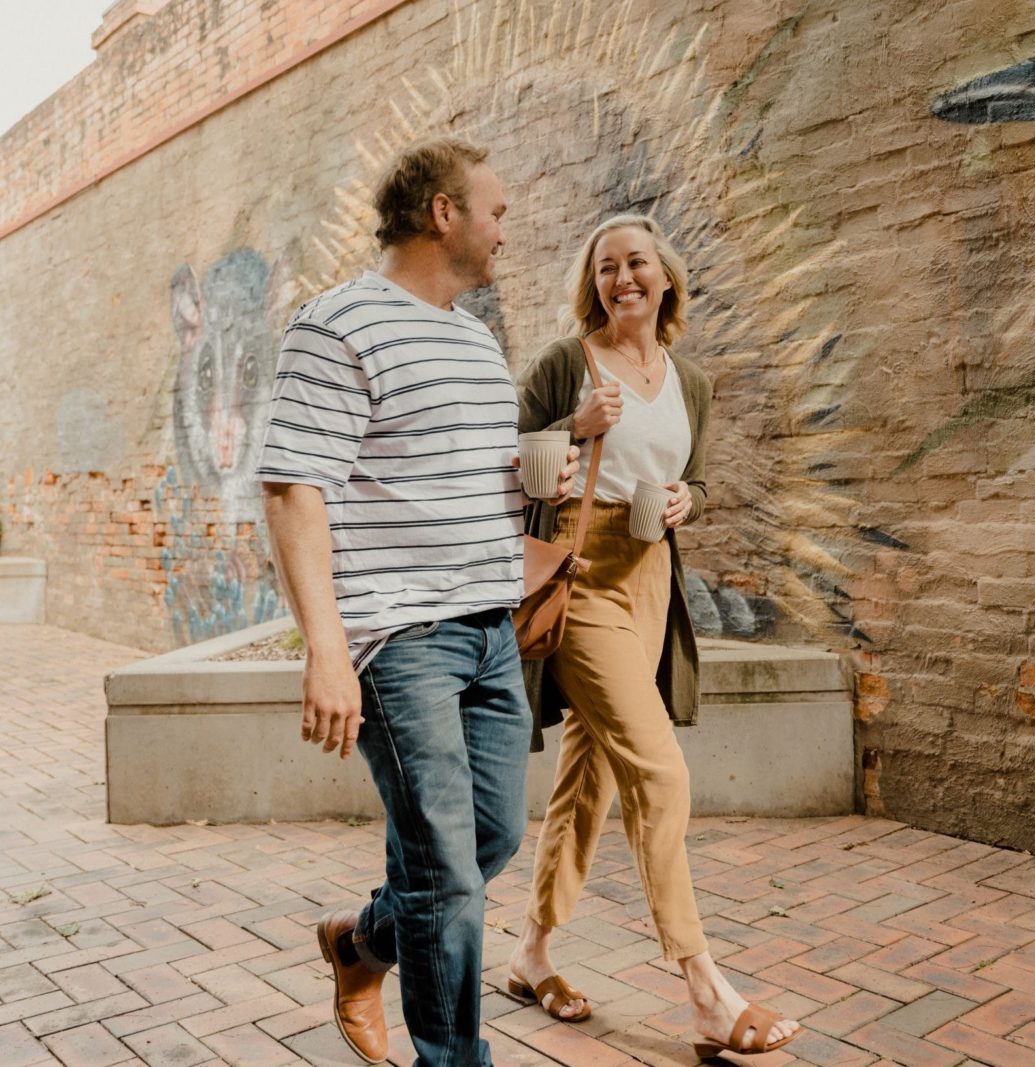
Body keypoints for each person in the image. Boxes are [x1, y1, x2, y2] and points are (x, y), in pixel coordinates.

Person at [257, 138, 575, 1067]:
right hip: (401, 639)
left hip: (490, 629)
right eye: (496, 212)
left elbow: (469, 477)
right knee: (446, 876)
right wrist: (326, 647)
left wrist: (543, 481)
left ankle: (361, 942)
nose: (504, 232)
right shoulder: (337, 325)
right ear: (444, 213)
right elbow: (294, 490)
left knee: (490, 838)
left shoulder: (476, 340)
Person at [507, 214, 800, 1058]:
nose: (621, 278)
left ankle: (530, 953)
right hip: (580, 570)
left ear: (665, 277)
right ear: (592, 283)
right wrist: (575, 428)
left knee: (590, 772)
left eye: (636, 263)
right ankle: (704, 986)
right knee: (660, 770)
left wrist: (686, 502)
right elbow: (509, 461)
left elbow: (695, 478)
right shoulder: (565, 363)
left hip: (651, 575)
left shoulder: (688, 380)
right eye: (606, 267)